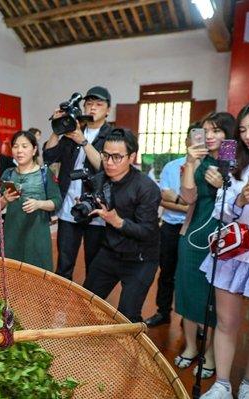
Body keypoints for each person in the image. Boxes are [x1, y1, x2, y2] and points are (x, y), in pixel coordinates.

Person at [200, 100, 249, 399]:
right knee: (226, 322)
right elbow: (221, 212)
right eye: (244, 129)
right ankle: (222, 384)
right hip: (234, 252)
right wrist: (240, 201)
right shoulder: (237, 161)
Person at [173, 112, 236, 379]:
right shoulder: (199, 161)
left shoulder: (235, 162)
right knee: (187, 293)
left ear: (229, 135)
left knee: (212, 299)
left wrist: (224, 185)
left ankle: (209, 353)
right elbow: (188, 197)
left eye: (217, 131)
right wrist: (191, 161)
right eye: (206, 130)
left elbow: (237, 202)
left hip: (222, 239)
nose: (209, 136)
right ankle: (190, 346)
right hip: (193, 235)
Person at [83, 129, 161, 323]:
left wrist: (117, 222)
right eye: (106, 155)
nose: (109, 162)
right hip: (110, 251)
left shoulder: (146, 188)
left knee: (127, 317)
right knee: (85, 300)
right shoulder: (100, 179)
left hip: (141, 258)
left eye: (117, 157)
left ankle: (133, 352)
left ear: (132, 157)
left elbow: (147, 231)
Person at [43, 86, 113, 281]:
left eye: (99, 104)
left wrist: (83, 141)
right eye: (89, 104)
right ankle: (61, 304)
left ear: (108, 110)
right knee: (64, 262)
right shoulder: (72, 129)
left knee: (94, 263)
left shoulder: (112, 135)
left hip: (95, 208)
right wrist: (58, 128)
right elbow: (49, 155)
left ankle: (89, 305)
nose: (93, 108)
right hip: (69, 207)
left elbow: (105, 167)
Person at [144, 133, 194, 327]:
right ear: (186, 142)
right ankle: (163, 312)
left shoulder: (209, 168)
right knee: (166, 272)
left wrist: (177, 200)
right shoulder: (171, 167)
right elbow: (163, 198)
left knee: (190, 275)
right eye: (192, 138)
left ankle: (190, 319)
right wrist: (189, 206)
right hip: (171, 227)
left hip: (194, 229)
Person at [0, 130, 62, 270]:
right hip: (12, 235)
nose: (19, 150)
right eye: (15, 146)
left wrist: (39, 204)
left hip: (36, 237)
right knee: (10, 274)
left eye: (25, 146)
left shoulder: (44, 173)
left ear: (34, 150)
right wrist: (5, 199)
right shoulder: (8, 174)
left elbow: (57, 202)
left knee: (36, 276)